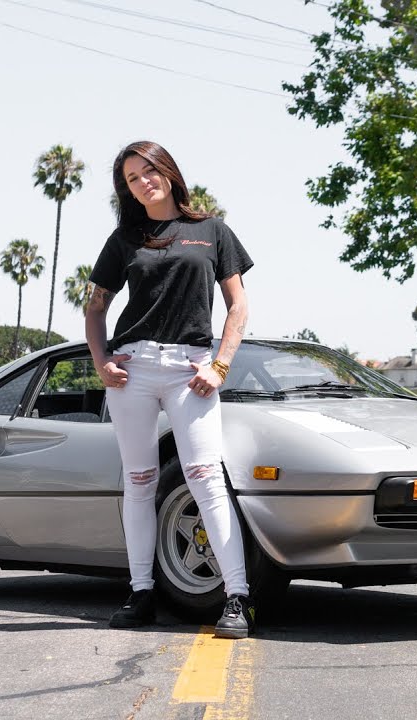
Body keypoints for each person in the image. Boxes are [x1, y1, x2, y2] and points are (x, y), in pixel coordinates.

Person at [85, 140, 255, 639]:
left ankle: (238, 597)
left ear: (168, 172)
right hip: (132, 370)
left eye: (149, 171)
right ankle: (141, 593)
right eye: (132, 179)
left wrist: (220, 365)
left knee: (206, 478)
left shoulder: (212, 231)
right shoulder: (124, 239)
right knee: (139, 482)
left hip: (191, 370)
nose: (144, 182)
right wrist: (100, 361)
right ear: (127, 190)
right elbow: (96, 308)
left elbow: (238, 306)